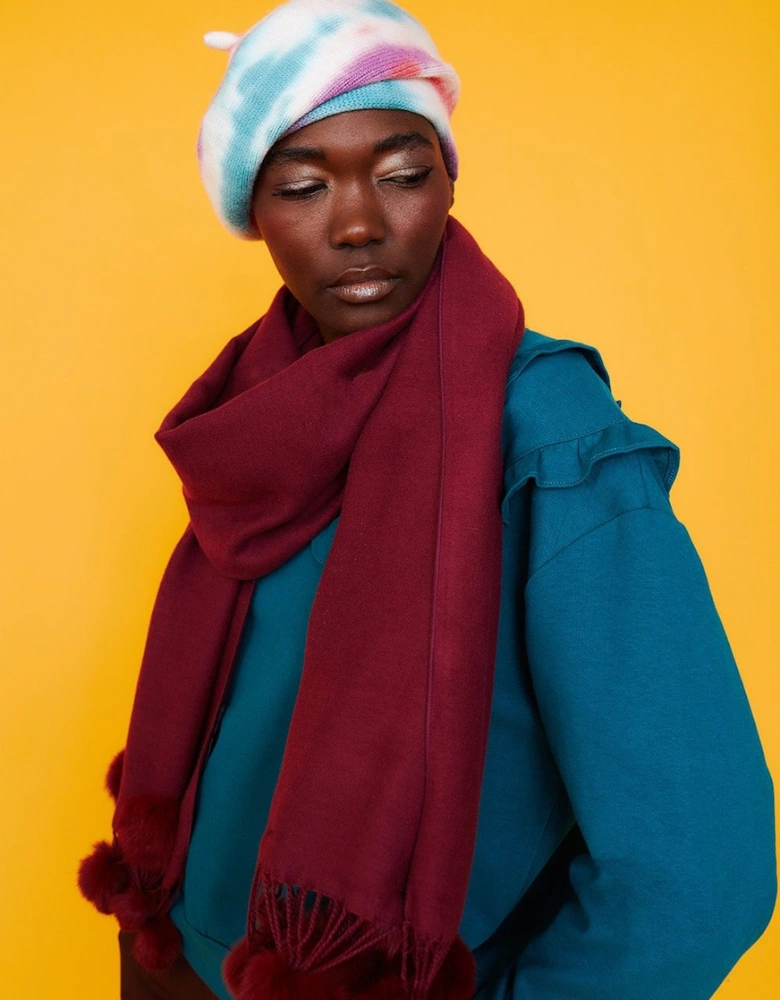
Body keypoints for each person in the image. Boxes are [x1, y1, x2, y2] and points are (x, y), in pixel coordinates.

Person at [77, 2, 777, 999]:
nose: (359, 224)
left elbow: (700, 877)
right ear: (253, 211)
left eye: (404, 174)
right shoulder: (255, 415)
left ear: (448, 178)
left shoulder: (552, 440)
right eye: (304, 186)